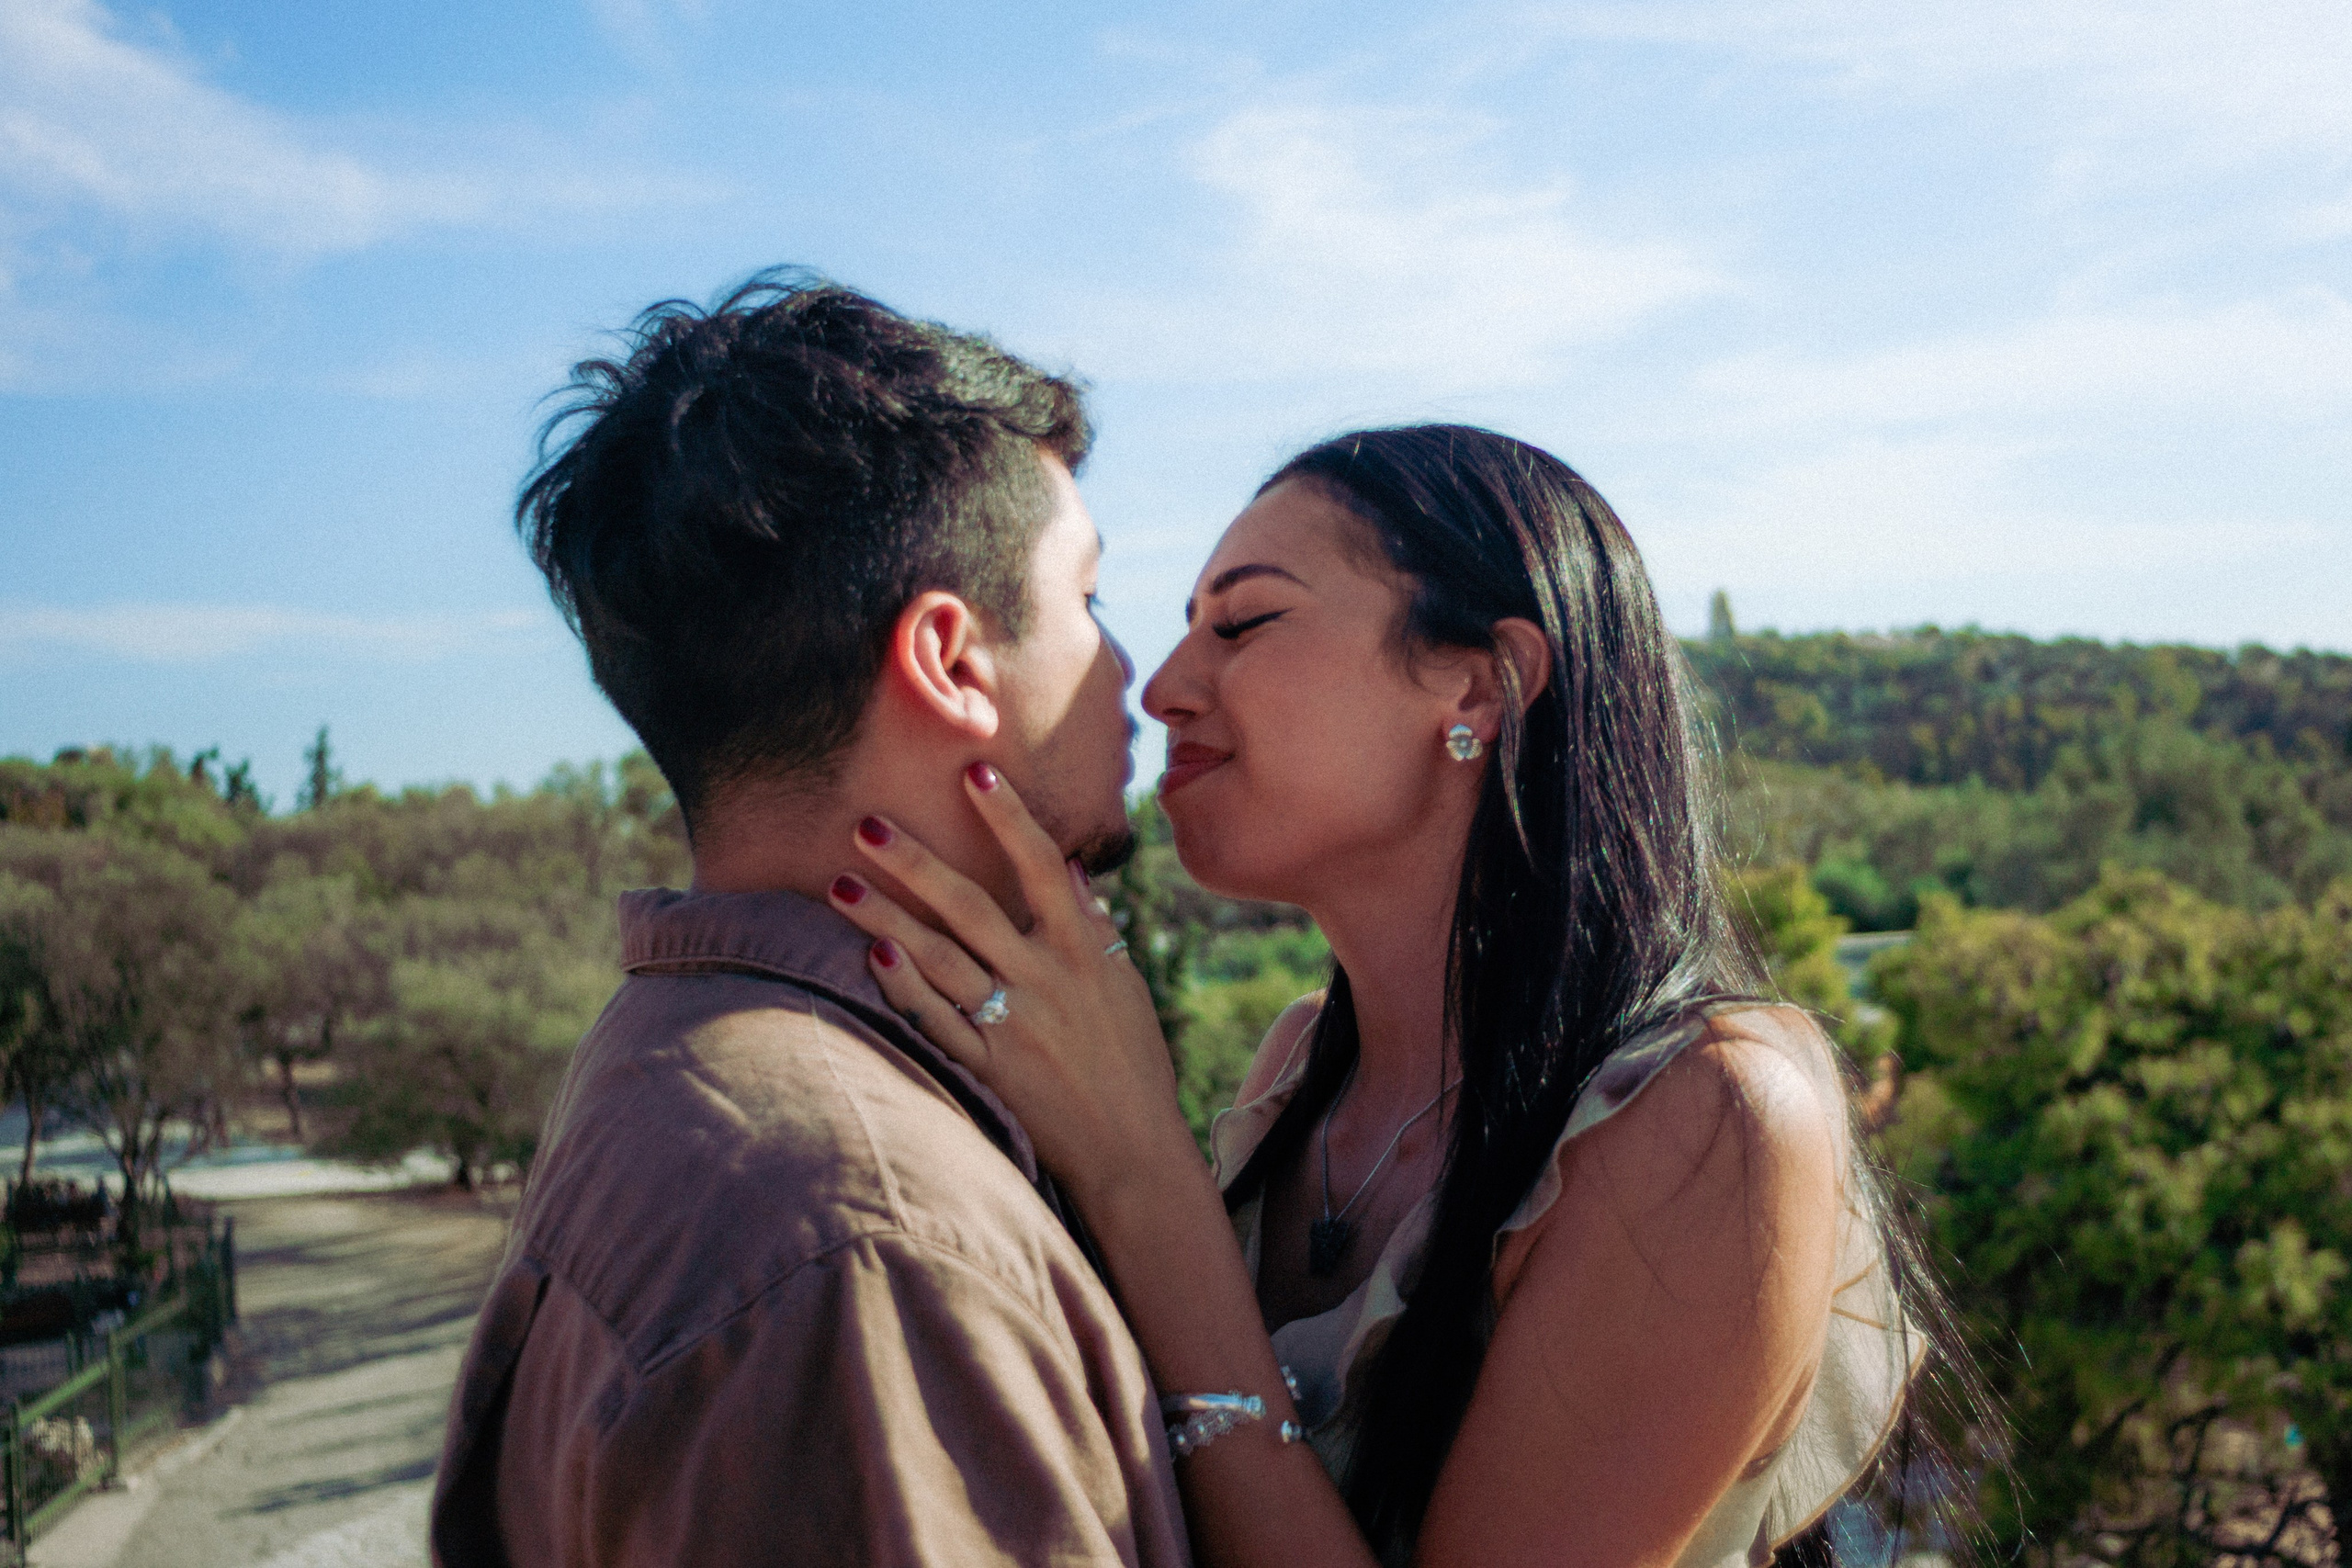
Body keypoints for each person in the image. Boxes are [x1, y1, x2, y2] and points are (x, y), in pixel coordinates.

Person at [826, 425, 1934, 1568]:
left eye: (1242, 622)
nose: (1160, 689)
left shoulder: (1708, 1119)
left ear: (1478, 681)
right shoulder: (1296, 1071)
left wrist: (1139, 1170)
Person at [429, 275, 1191, 1567]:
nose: (1143, 679)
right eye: (1091, 599)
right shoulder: (866, 1246)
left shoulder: (676, 1058)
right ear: (952, 660)